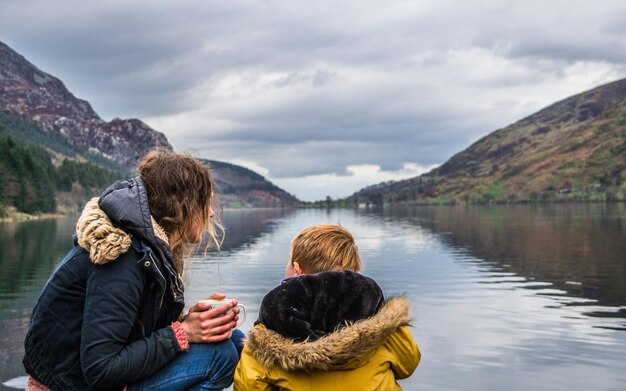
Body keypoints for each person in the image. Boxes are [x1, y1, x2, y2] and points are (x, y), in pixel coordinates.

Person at [23, 149, 244, 391]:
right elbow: (101, 368)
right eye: (206, 202)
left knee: (231, 338)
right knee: (219, 356)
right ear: (184, 205)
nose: (211, 212)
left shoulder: (145, 247)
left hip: (89, 379)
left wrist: (191, 320)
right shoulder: (122, 258)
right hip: (72, 385)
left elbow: (131, 328)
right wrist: (183, 332)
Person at [233, 224, 421, 390]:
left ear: (297, 271)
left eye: (288, 262)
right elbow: (408, 365)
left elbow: (246, 386)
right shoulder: (384, 324)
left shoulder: (267, 332)